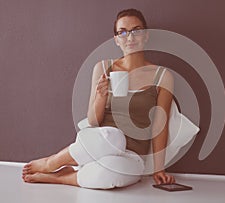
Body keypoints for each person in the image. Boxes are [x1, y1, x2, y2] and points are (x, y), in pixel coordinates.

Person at [22, 8, 175, 189]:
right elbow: (93, 121)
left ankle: (62, 178)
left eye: (136, 31)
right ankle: (51, 163)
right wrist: (101, 97)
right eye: (123, 32)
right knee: (115, 137)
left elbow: (160, 125)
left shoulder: (162, 76)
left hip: (133, 156)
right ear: (117, 40)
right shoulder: (103, 67)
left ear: (146, 35)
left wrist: (159, 169)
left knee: (108, 177)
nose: (130, 37)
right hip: (103, 142)